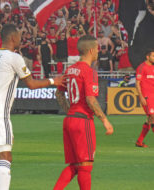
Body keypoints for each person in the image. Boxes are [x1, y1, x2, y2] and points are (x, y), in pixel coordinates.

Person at [0, 24, 64, 190]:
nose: (21, 40)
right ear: (13, 38)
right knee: (6, 156)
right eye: (19, 37)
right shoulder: (14, 58)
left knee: (0, 153)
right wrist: (53, 81)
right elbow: (31, 84)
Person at [54, 35, 114, 190]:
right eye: (97, 49)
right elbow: (91, 100)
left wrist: (70, 111)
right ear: (91, 50)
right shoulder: (89, 71)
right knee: (85, 166)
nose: (98, 52)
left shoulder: (69, 70)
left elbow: (58, 93)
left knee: (74, 165)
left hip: (70, 119)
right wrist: (105, 121)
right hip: (83, 121)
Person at [135, 49, 154, 148]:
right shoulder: (142, 67)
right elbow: (137, 83)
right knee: (153, 117)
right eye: (153, 56)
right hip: (147, 97)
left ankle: (139, 141)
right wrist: (141, 96)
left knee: (149, 120)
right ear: (147, 57)